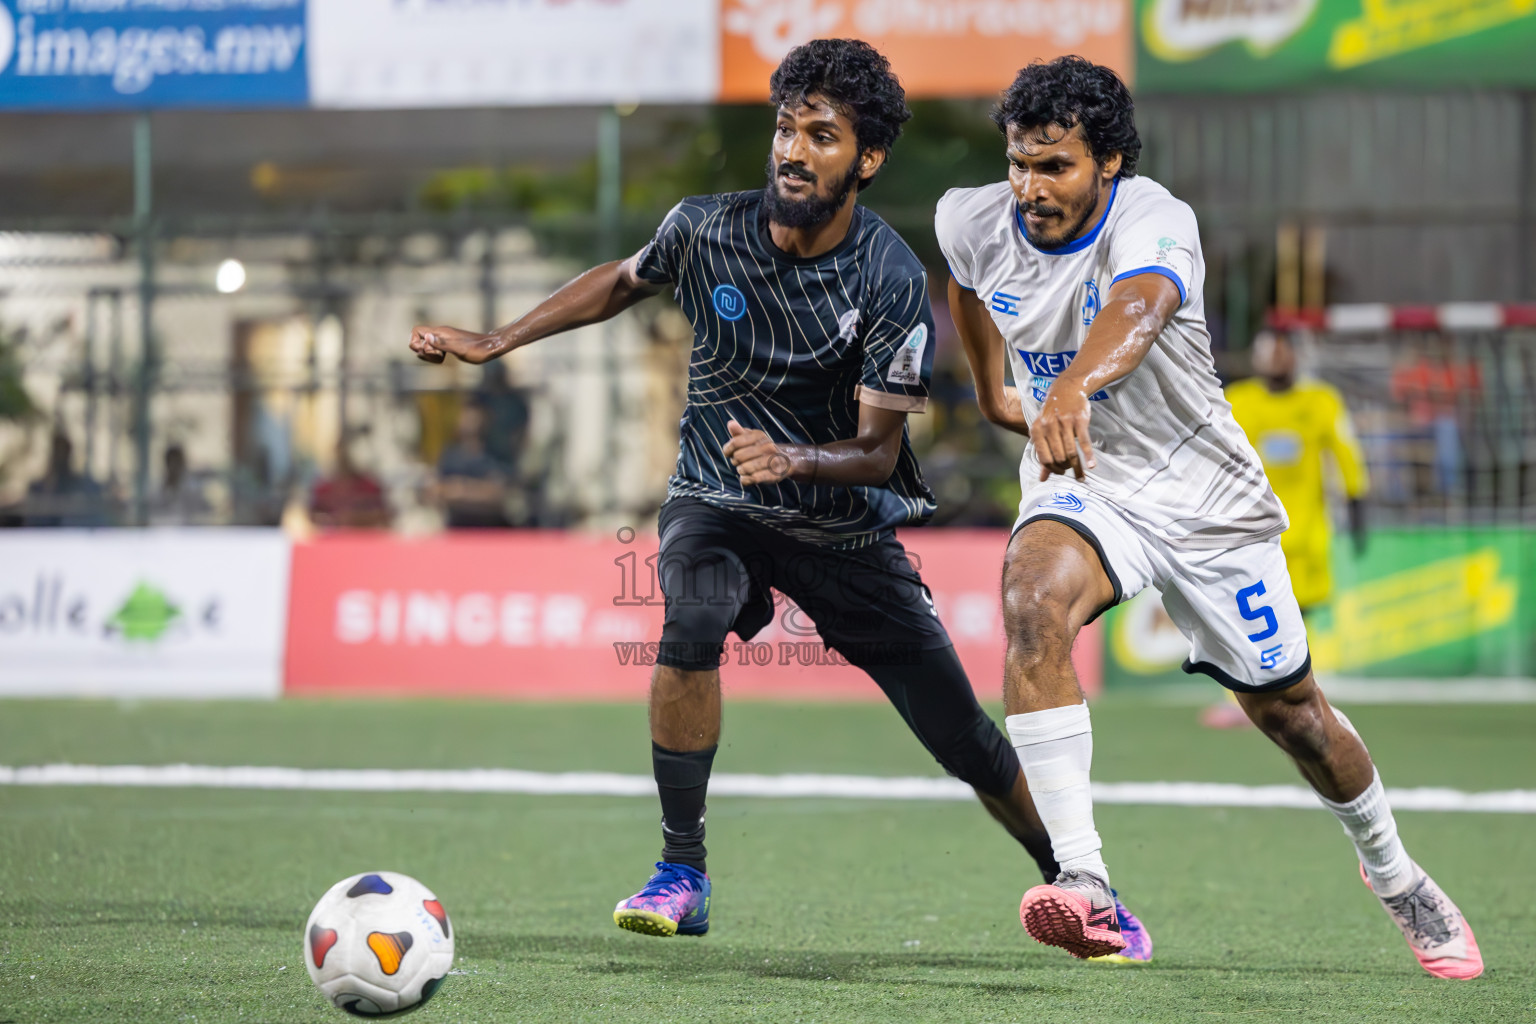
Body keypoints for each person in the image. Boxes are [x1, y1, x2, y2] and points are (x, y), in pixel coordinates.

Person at [409, 39, 1151, 957]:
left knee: (964, 737)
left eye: (823, 136)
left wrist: (792, 456)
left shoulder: (885, 278)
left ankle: (1083, 890)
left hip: (843, 530)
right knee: (690, 615)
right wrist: (495, 340)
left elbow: (880, 457)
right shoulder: (706, 227)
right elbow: (621, 281)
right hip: (715, 500)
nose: (793, 151)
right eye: (786, 128)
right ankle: (682, 871)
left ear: (866, 160)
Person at [937, 56, 1479, 978]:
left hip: (1204, 497)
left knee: (1292, 712)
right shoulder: (972, 215)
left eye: (1055, 166)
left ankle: (1396, 874)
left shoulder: (1155, 217)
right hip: (1088, 480)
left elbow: (1139, 306)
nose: (1031, 187)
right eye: (1020, 162)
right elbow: (968, 278)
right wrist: (993, 387)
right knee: (1031, 600)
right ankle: (1088, 883)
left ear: (1108, 163)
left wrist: (1069, 382)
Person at [1202, 331, 1369, 728]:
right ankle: (1237, 694)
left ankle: (1299, 687)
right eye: (1266, 351)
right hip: (1250, 532)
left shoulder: (1321, 401)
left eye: (1281, 349)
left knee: (1300, 615)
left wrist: (1358, 501)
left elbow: (1346, 452)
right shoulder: (1240, 401)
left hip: (1306, 532)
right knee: (1245, 613)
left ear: (1296, 355)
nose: (1274, 358)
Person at [436, 404, 512, 529]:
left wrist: (461, 491)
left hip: (490, 527)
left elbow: (497, 494)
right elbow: (436, 489)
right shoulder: (450, 455)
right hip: (456, 525)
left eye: (473, 418)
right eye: (465, 417)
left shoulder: (494, 454)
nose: (467, 422)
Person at [21, 430, 110, 527]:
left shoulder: (81, 485)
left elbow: (93, 517)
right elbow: (34, 523)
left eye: (64, 451)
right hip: (45, 537)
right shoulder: (38, 488)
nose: (60, 456)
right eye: (57, 451)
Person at [309, 435, 391, 530]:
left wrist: (357, 518)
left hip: (363, 538)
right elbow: (312, 516)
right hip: (333, 540)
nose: (344, 457)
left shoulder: (369, 486)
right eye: (340, 452)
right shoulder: (323, 488)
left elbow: (384, 515)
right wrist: (330, 519)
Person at [149, 443, 215, 527]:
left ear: (182, 462)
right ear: (166, 463)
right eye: (171, 461)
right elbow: (154, 513)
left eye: (177, 461)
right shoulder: (158, 488)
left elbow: (203, 512)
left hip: (189, 533)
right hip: (165, 532)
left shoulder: (192, 487)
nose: (174, 465)